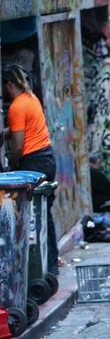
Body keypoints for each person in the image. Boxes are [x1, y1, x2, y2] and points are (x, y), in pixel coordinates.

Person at [2, 64, 59, 275]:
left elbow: (18, 146)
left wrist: (12, 163)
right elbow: (27, 126)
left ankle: (42, 266)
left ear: (9, 85)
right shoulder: (31, 98)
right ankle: (50, 263)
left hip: (33, 162)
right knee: (44, 213)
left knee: (31, 216)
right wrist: (7, 132)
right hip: (46, 158)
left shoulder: (16, 107)